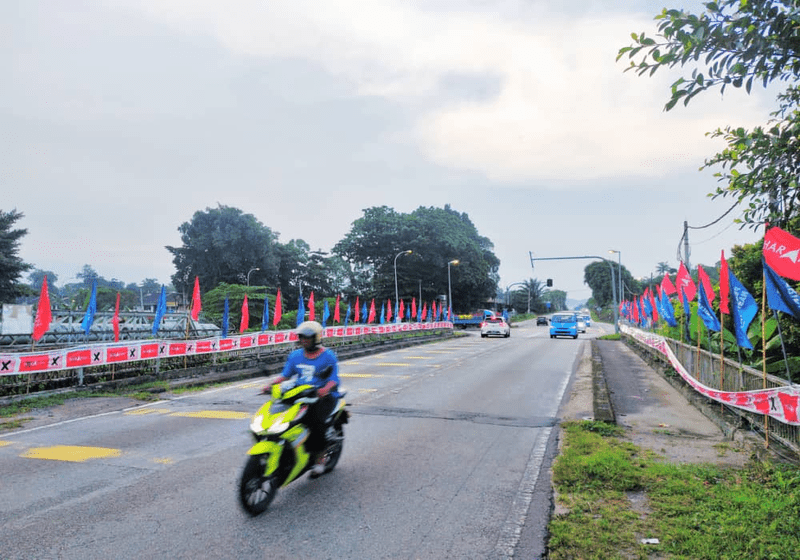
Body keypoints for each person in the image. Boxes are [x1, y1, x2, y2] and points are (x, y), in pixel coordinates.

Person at [263, 320, 341, 476]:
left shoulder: (328, 356)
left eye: (308, 337)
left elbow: (334, 379)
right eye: (302, 337)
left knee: (315, 422)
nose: (304, 340)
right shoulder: (295, 355)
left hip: (323, 397)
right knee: (280, 414)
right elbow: (285, 375)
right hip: (300, 393)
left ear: (316, 338)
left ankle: (319, 459)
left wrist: (324, 390)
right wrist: (270, 385)